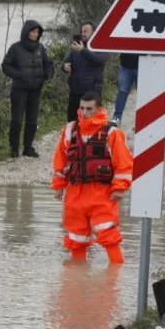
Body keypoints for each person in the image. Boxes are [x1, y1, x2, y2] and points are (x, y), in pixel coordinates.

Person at [50, 92, 133, 264]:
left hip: (101, 193)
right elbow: (60, 159)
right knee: (76, 239)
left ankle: (115, 279)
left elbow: (123, 163)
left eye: (89, 108)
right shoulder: (70, 131)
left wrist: (119, 188)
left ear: (99, 109)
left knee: (109, 236)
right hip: (74, 193)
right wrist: (59, 185)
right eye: (82, 108)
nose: (84, 112)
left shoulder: (112, 133)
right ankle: (76, 282)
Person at [1, 19, 54, 157]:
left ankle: (28, 147)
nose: (35, 34)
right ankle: (14, 147)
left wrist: (47, 74)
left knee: (32, 120)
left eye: (37, 32)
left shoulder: (40, 48)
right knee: (17, 120)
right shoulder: (15, 48)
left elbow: (47, 63)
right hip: (19, 89)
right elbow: (5, 66)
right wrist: (19, 75)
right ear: (26, 32)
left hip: (35, 89)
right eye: (33, 31)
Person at [61, 22, 109, 123]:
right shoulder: (76, 46)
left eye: (86, 31)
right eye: (82, 31)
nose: (83, 34)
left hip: (92, 91)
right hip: (75, 90)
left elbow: (99, 61)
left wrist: (83, 50)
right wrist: (65, 67)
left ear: (93, 33)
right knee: (72, 121)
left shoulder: (100, 45)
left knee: (91, 122)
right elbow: (66, 61)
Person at [111, 54, 139, 126]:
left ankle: (143, 119)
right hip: (125, 65)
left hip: (144, 64)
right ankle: (117, 117)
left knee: (143, 93)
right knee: (122, 91)